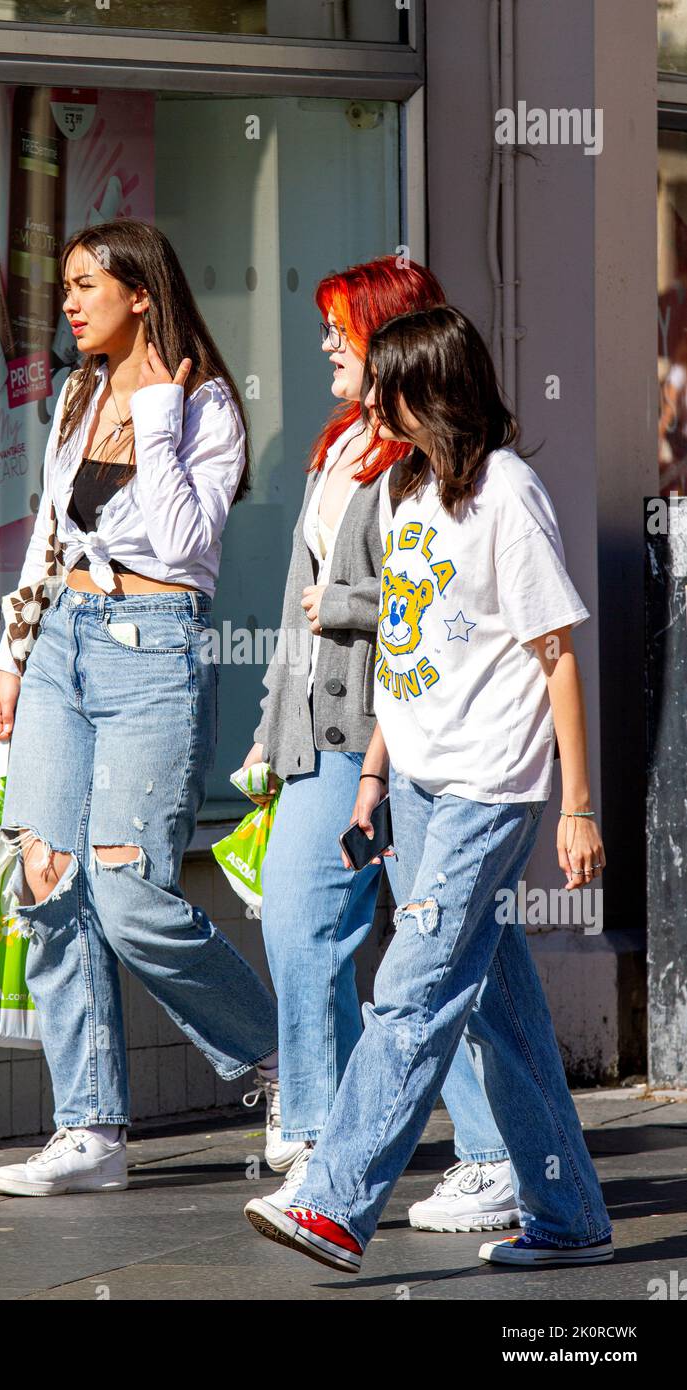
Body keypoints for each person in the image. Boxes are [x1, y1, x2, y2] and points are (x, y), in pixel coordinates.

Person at [245, 304, 613, 1271]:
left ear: (431, 390)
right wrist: (369, 779)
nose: (368, 401)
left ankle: (333, 1201)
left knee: (408, 989)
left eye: (385, 386)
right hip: (410, 782)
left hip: (487, 789)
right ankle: (568, 1213)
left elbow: (556, 657)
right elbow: (401, 662)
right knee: (496, 1005)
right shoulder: (406, 495)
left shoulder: (507, 495)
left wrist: (577, 806)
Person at [0, 219, 279, 1196]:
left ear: (141, 293)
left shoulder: (202, 406)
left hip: (151, 655)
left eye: (86, 285)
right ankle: (90, 1129)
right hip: (62, 650)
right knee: (49, 884)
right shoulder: (76, 393)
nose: (69, 302)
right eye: (65, 285)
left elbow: (186, 543)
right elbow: (48, 536)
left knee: (130, 897)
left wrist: (154, 410)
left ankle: (288, 1064)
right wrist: (11, 657)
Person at [242, 260, 519, 1231]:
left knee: (446, 951)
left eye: (338, 330)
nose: (325, 345)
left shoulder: (426, 457)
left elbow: (443, 593)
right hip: (326, 732)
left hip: (406, 731)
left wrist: (348, 604)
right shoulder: (337, 447)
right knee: (298, 916)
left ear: (388, 338)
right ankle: (321, 1136)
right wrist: (270, 727)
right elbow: (294, 605)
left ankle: (493, 1154)